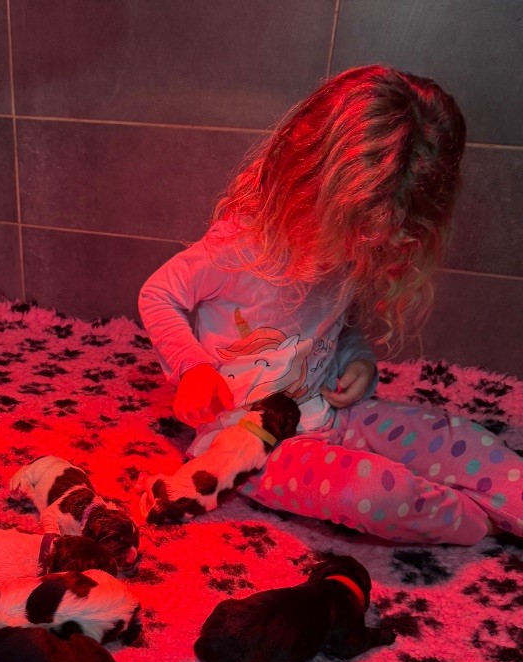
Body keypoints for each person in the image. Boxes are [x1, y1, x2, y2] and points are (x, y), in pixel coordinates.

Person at [138, 64, 522, 545]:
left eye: (375, 239)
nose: (360, 249)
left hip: (333, 412)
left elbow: (339, 321)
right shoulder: (236, 248)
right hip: (249, 443)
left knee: (457, 438)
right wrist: (192, 367)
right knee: (373, 490)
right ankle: (472, 523)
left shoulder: (354, 245)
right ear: (306, 183)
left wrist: (356, 359)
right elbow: (158, 295)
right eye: (354, 231)